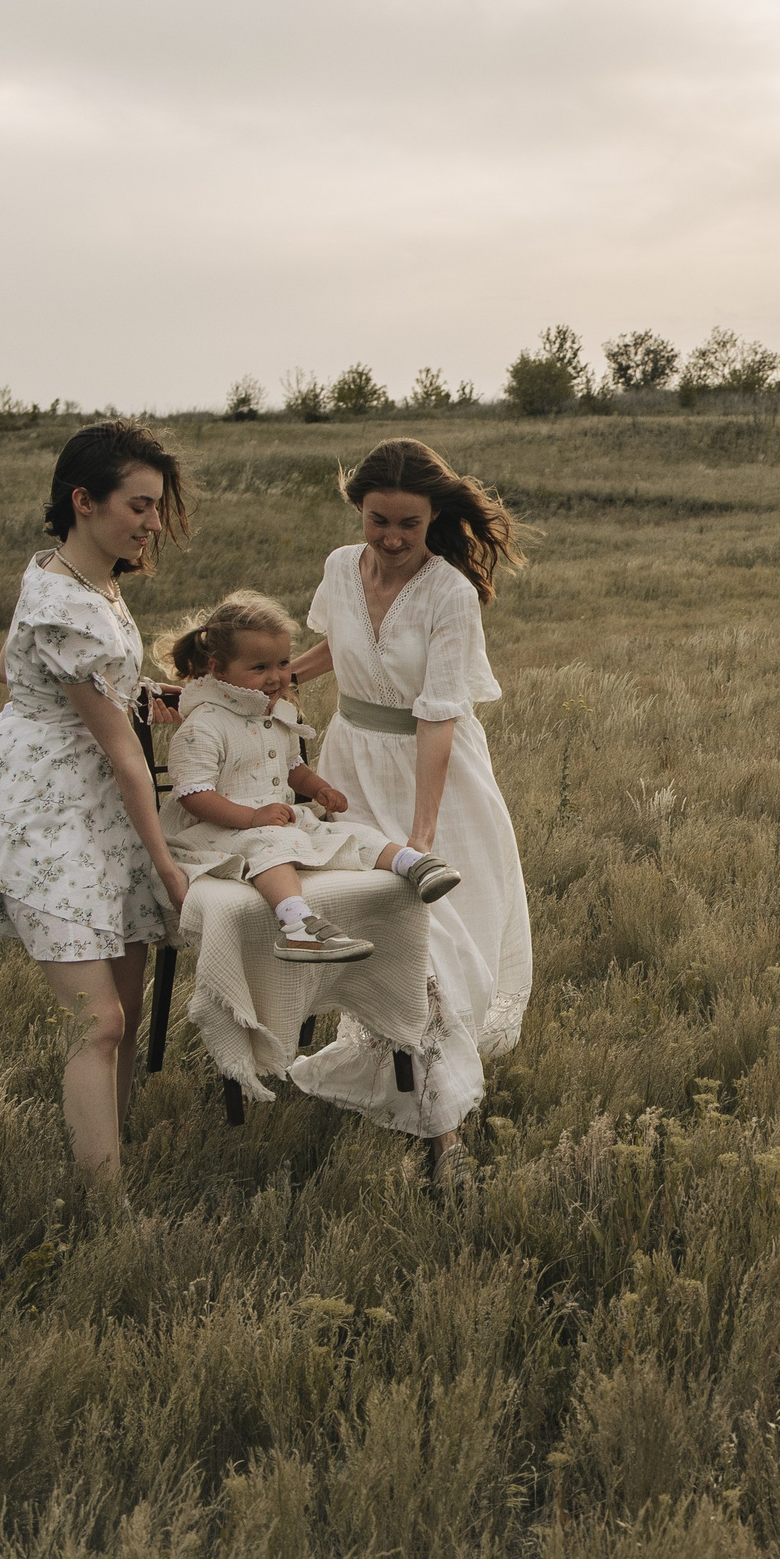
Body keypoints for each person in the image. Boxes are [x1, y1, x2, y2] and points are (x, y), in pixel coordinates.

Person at [284, 439, 534, 1170]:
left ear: (434, 519)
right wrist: (274, 679)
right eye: (378, 520)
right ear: (358, 509)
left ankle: (441, 1128)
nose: (391, 538)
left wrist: (422, 834)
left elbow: (438, 717)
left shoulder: (449, 593)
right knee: (369, 924)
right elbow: (340, 645)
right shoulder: (339, 566)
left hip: (435, 776)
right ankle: (398, 1079)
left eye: (409, 524)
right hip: (350, 764)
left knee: (432, 937)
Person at [0, 420, 190, 1177]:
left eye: (156, 506)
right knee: (98, 1022)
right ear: (84, 500)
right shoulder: (65, 604)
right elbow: (124, 755)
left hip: (99, 812)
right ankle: (105, 1211)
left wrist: (137, 690)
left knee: (124, 1012)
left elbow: (9, 668)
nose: (152, 523)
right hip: (52, 815)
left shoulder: (77, 575)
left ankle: (109, 1161)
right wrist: (168, 866)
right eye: (139, 505)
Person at [153, 590, 463, 963]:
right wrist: (252, 818)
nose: (275, 677)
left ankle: (412, 863)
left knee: (346, 830)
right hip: (218, 829)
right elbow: (193, 795)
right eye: (259, 668)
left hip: (274, 820)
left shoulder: (274, 715)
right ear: (219, 669)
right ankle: (297, 926)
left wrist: (319, 788)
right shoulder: (204, 725)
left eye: (283, 663)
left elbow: (292, 769)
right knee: (270, 847)